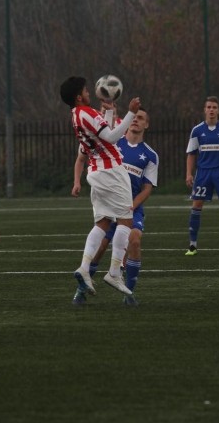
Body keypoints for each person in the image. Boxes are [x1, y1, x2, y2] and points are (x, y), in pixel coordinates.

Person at [59, 76, 141, 297]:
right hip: (111, 170)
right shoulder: (87, 112)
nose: (89, 92)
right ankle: (114, 271)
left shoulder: (76, 116)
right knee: (126, 219)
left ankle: (84, 268)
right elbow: (113, 138)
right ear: (78, 97)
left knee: (103, 222)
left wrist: (109, 112)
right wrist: (132, 112)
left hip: (96, 170)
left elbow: (103, 135)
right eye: (86, 90)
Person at [71, 107, 159, 306]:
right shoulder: (113, 142)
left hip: (131, 207)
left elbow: (147, 188)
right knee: (101, 246)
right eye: (134, 117)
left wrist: (131, 206)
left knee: (134, 239)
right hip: (111, 200)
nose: (135, 120)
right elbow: (83, 154)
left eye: (141, 118)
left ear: (147, 124)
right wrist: (76, 181)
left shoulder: (150, 155)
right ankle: (82, 289)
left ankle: (129, 293)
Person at [184, 96, 219, 256]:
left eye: (214, 107)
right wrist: (189, 173)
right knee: (196, 207)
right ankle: (193, 245)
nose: (211, 110)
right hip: (203, 173)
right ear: (204, 110)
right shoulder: (197, 131)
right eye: (208, 107)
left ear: (218, 110)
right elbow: (191, 154)